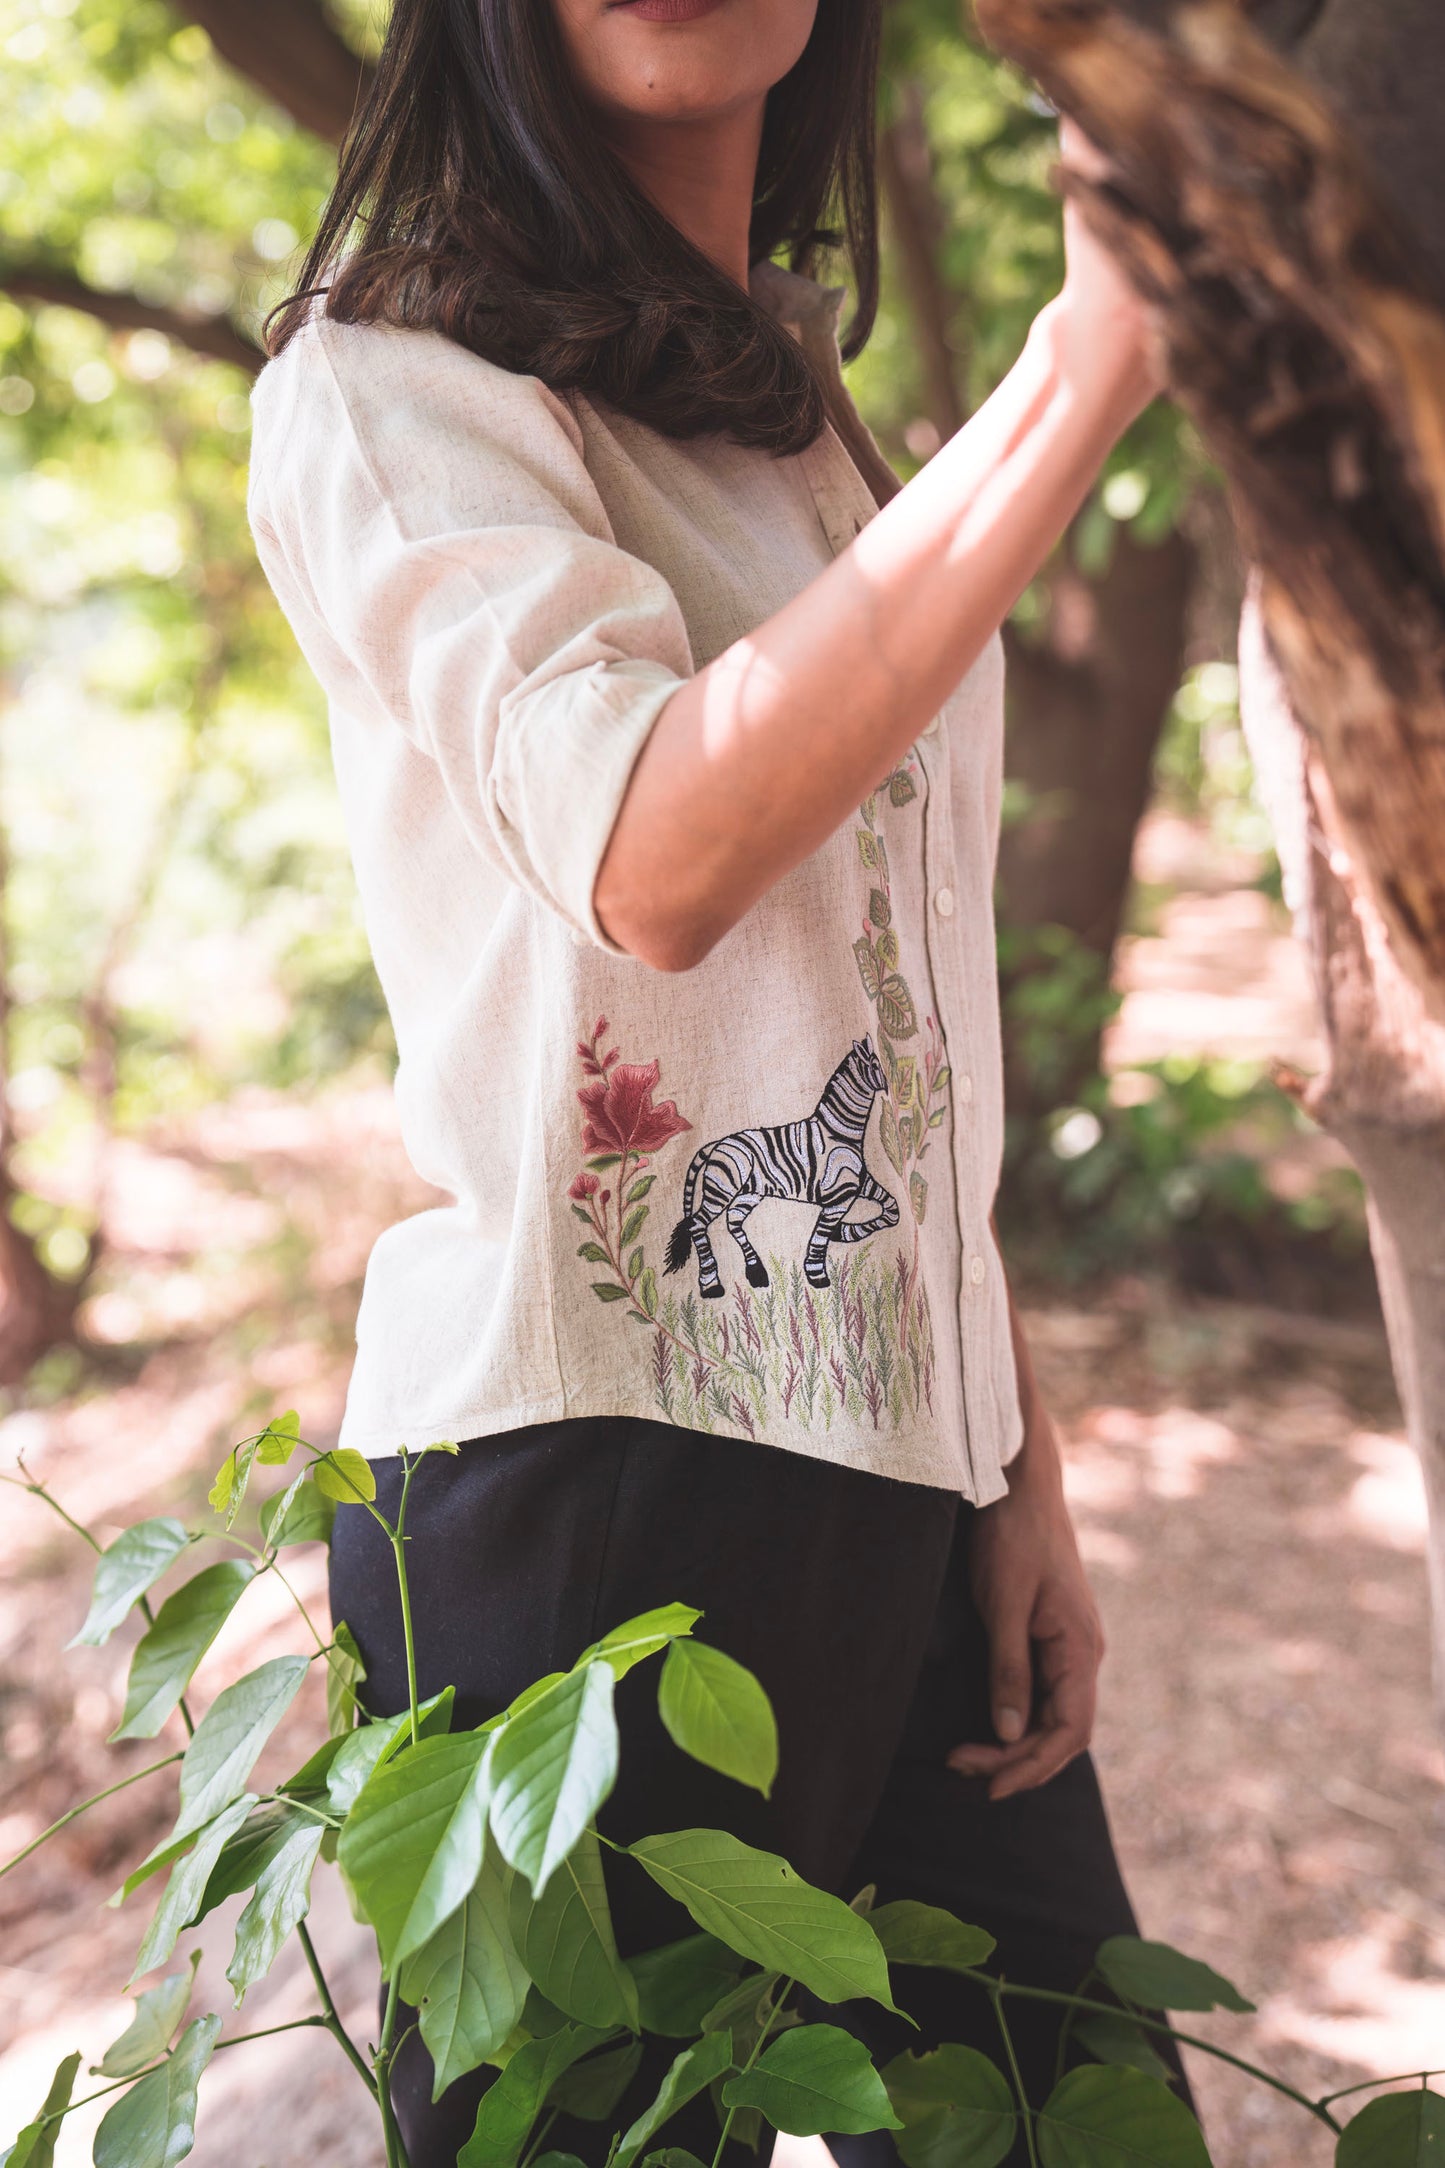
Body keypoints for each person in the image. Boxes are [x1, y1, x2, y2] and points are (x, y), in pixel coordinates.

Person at [247, 0, 1188, 2160]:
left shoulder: (808, 434)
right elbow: (654, 856)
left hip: (899, 1483)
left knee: (1087, 2121)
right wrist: (1087, 358)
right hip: (588, 1506)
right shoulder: (388, 395)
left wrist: (1005, 1451)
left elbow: (890, 995)